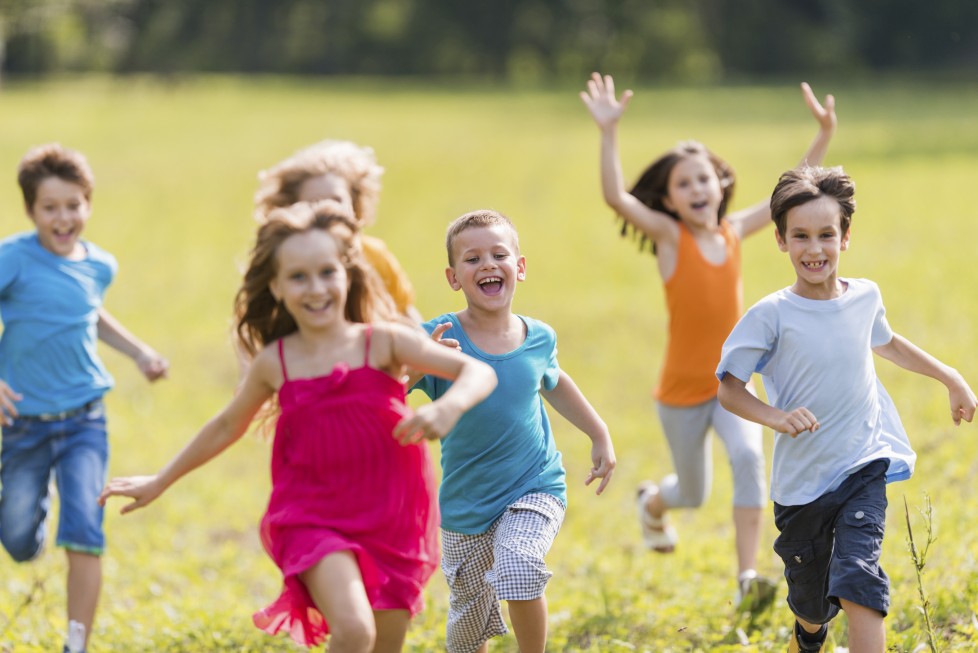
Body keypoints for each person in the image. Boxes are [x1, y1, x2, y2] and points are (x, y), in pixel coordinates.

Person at [99, 202, 497, 652]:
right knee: (354, 631)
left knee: (382, 643)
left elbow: (479, 373)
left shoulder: (384, 342)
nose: (316, 288)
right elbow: (227, 424)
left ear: (347, 273)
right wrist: (160, 479)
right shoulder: (277, 362)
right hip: (313, 513)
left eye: (327, 272)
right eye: (298, 277)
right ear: (276, 286)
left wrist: (447, 409)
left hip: (393, 511)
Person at [580, 72, 837, 608]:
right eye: (684, 184)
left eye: (704, 179)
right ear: (669, 201)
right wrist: (608, 132)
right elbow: (613, 197)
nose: (697, 189)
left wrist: (822, 135)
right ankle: (653, 503)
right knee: (691, 493)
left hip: (732, 383)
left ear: (721, 183)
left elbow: (791, 189)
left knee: (748, 460)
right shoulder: (672, 238)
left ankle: (748, 578)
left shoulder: (732, 231)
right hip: (679, 392)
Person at [716, 166, 977, 652]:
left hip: (862, 466)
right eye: (800, 236)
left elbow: (889, 343)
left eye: (825, 235)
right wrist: (776, 417)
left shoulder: (865, 297)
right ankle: (808, 634)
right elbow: (729, 388)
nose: (814, 249)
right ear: (780, 240)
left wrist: (951, 377)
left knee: (859, 582)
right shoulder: (771, 315)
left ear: (845, 237)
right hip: (801, 488)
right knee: (812, 604)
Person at [411, 209, 616, 653]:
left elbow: (556, 384)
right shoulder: (439, 336)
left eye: (498, 254)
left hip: (534, 485)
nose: (487, 264)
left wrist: (598, 433)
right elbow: (393, 382)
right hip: (466, 503)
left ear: (519, 268)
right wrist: (421, 360)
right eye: (472, 259)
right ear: (453, 277)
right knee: (467, 625)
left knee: (520, 566)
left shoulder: (538, 336)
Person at [0, 143, 169, 653]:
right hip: (22, 424)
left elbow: (90, 314)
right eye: (50, 207)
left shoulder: (100, 266)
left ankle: (77, 644)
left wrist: (139, 352)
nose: (64, 217)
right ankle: (33, 510)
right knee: (17, 540)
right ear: (31, 211)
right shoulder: (13, 258)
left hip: (83, 422)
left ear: (88, 205)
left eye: (74, 205)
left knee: (85, 528)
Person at [254, 139, 422, 322]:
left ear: (355, 204)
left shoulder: (374, 255)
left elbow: (407, 314)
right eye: (313, 204)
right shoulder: (286, 261)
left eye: (336, 202)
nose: (328, 212)